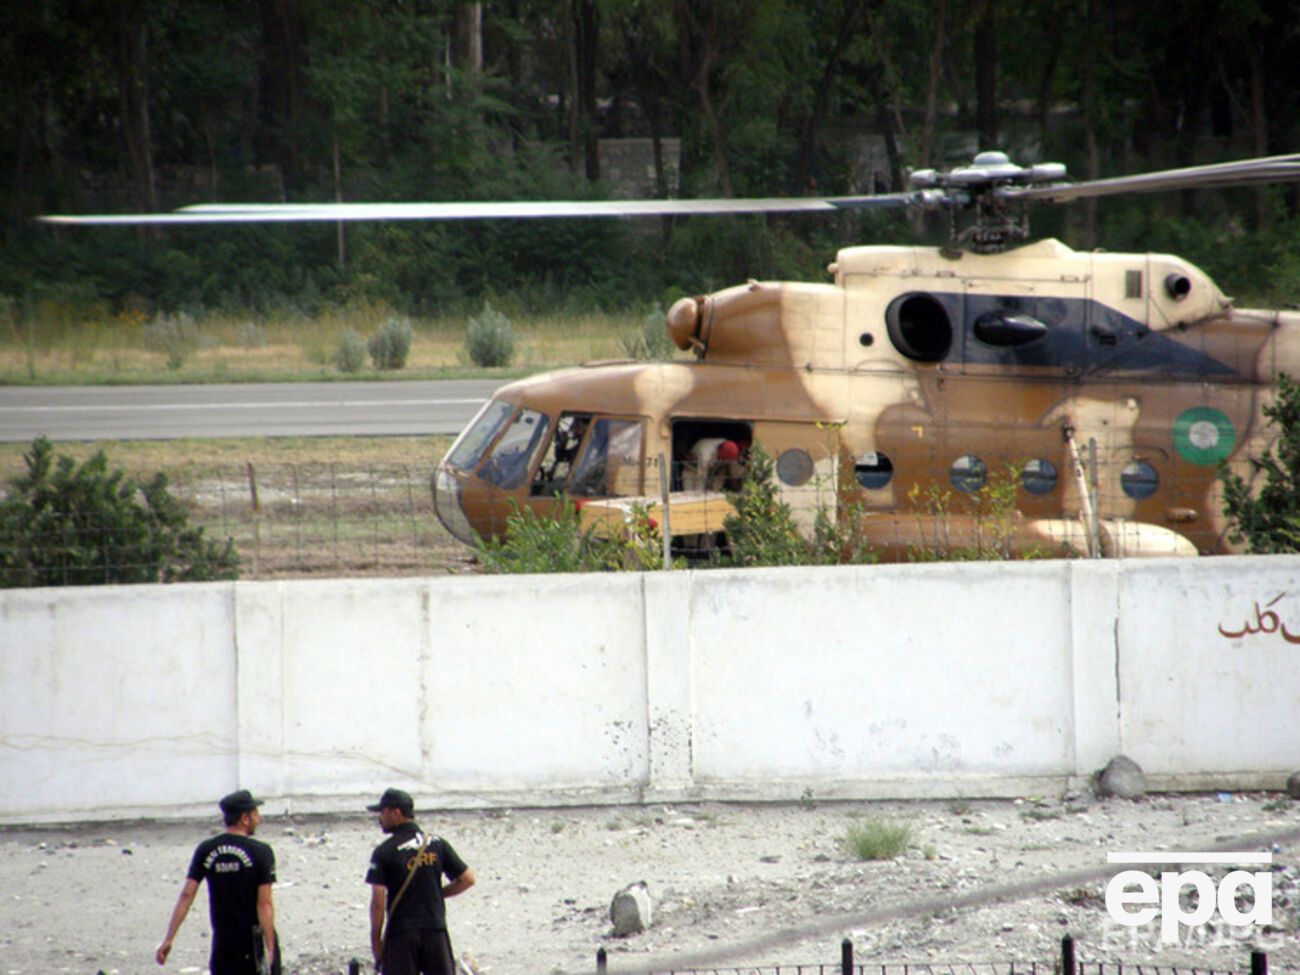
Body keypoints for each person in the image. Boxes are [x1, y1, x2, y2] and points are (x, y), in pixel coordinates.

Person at [156, 789, 280, 975]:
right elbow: (264, 903)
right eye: (255, 815)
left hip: (223, 940)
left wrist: (169, 938)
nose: (258, 819)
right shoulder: (261, 852)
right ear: (244, 819)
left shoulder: (206, 849)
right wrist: (270, 947)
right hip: (252, 941)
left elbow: (187, 894)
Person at [366, 787, 476, 975]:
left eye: (383, 812)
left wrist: (376, 941)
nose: (380, 818)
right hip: (435, 930)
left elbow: (378, 900)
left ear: (396, 813)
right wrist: (437, 893)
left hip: (401, 933)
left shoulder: (384, 851)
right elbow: (467, 879)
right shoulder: (437, 844)